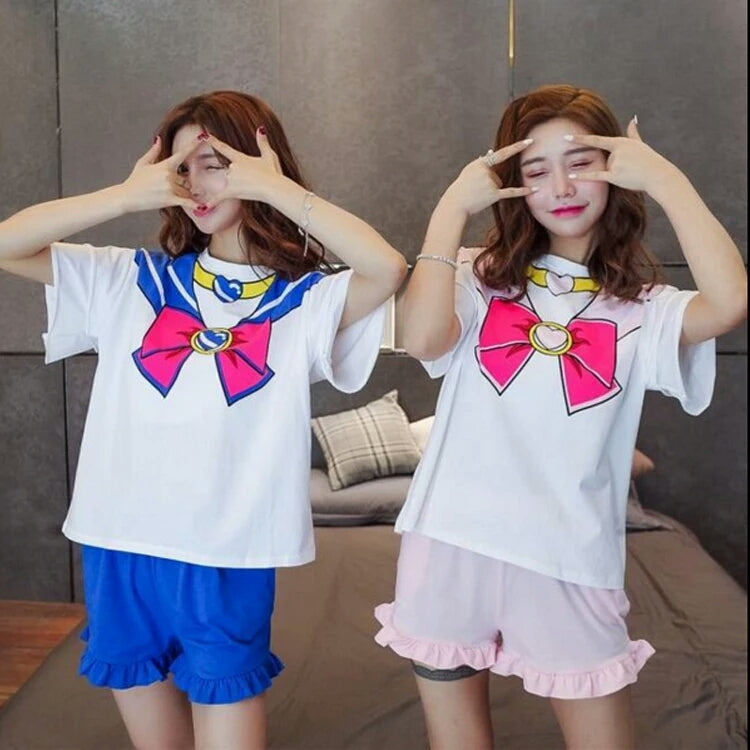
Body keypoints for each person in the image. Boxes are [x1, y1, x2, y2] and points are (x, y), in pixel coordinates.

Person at [0, 90, 406, 749]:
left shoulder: (307, 300)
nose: (196, 183)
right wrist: (122, 197)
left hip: (227, 547)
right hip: (118, 536)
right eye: (181, 167)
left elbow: (387, 267)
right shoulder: (127, 279)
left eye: (216, 164)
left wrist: (274, 189)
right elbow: (6, 243)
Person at [374, 84, 746, 750]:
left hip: (567, 555)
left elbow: (728, 303)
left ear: (613, 169)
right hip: (449, 541)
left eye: (580, 162)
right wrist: (451, 208)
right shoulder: (475, 277)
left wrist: (666, 179)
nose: (562, 187)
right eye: (536, 170)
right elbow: (423, 339)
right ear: (511, 185)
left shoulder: (645, 308)